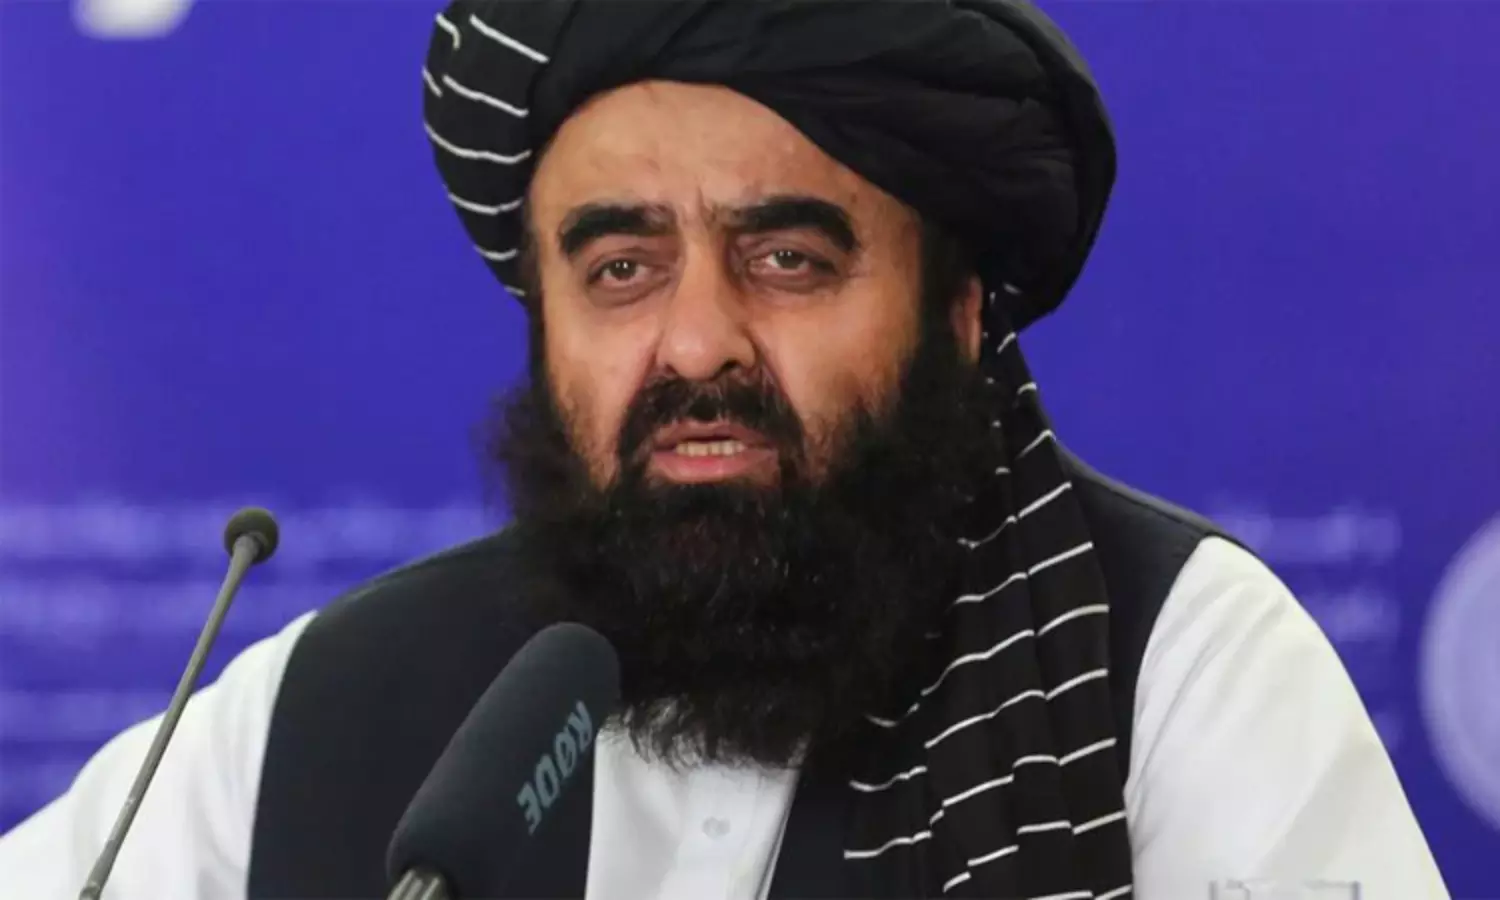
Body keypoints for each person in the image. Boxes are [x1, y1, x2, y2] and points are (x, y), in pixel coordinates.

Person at [0, 1, 1450, 898]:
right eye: (621, 269)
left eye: (788, 258)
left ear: (957, 313)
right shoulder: (320, 715)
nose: (697, 343)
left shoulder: (1174, 668)